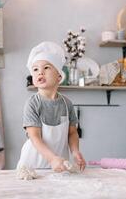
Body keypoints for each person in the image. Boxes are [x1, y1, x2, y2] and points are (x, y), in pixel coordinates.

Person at [17, 41, 86, 172]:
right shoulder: (32, 104)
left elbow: (72, 133)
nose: (40, 73)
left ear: (59, 76)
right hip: (33, 167)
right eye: (35, 69)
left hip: (59, 166)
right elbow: (34, 137)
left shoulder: (67, 104)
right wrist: (52, 158)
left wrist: (75, 152)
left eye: (46, 68)